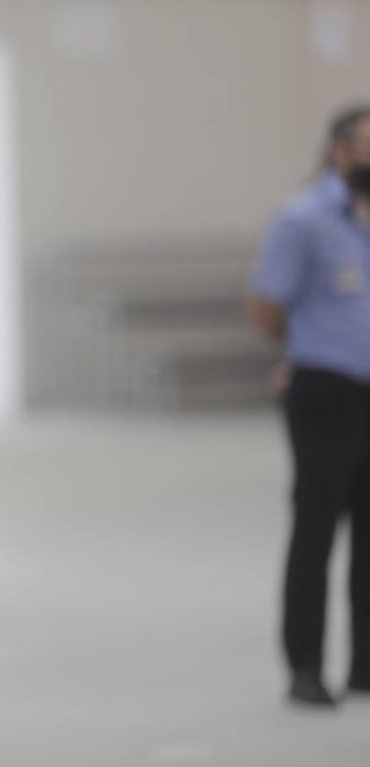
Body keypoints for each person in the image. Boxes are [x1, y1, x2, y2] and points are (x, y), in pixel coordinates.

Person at [248, 105, 370, 707]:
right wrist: (309, 347)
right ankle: (304, 667)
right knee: (317, 529)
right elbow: (267, 307)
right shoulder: (304, 220)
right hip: (325, 391)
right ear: (341, 153)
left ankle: (366, 666)